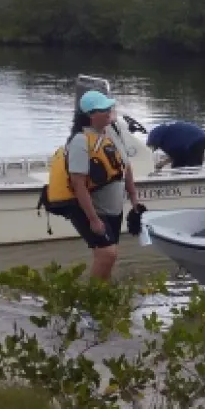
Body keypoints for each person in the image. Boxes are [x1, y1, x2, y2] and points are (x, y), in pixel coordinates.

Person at [66, 90, 140, 281]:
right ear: (91, 115)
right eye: (103, 109)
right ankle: (94, 299)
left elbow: (126, 167)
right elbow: (78, 184)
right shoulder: (80, 141)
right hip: (94, 210)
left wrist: (134, 199)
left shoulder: (112, 133)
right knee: (108, 254)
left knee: (106, 256)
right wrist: (93, 219)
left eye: (109, 107)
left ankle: (102, 297)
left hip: (114, 209)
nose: (109, 112)